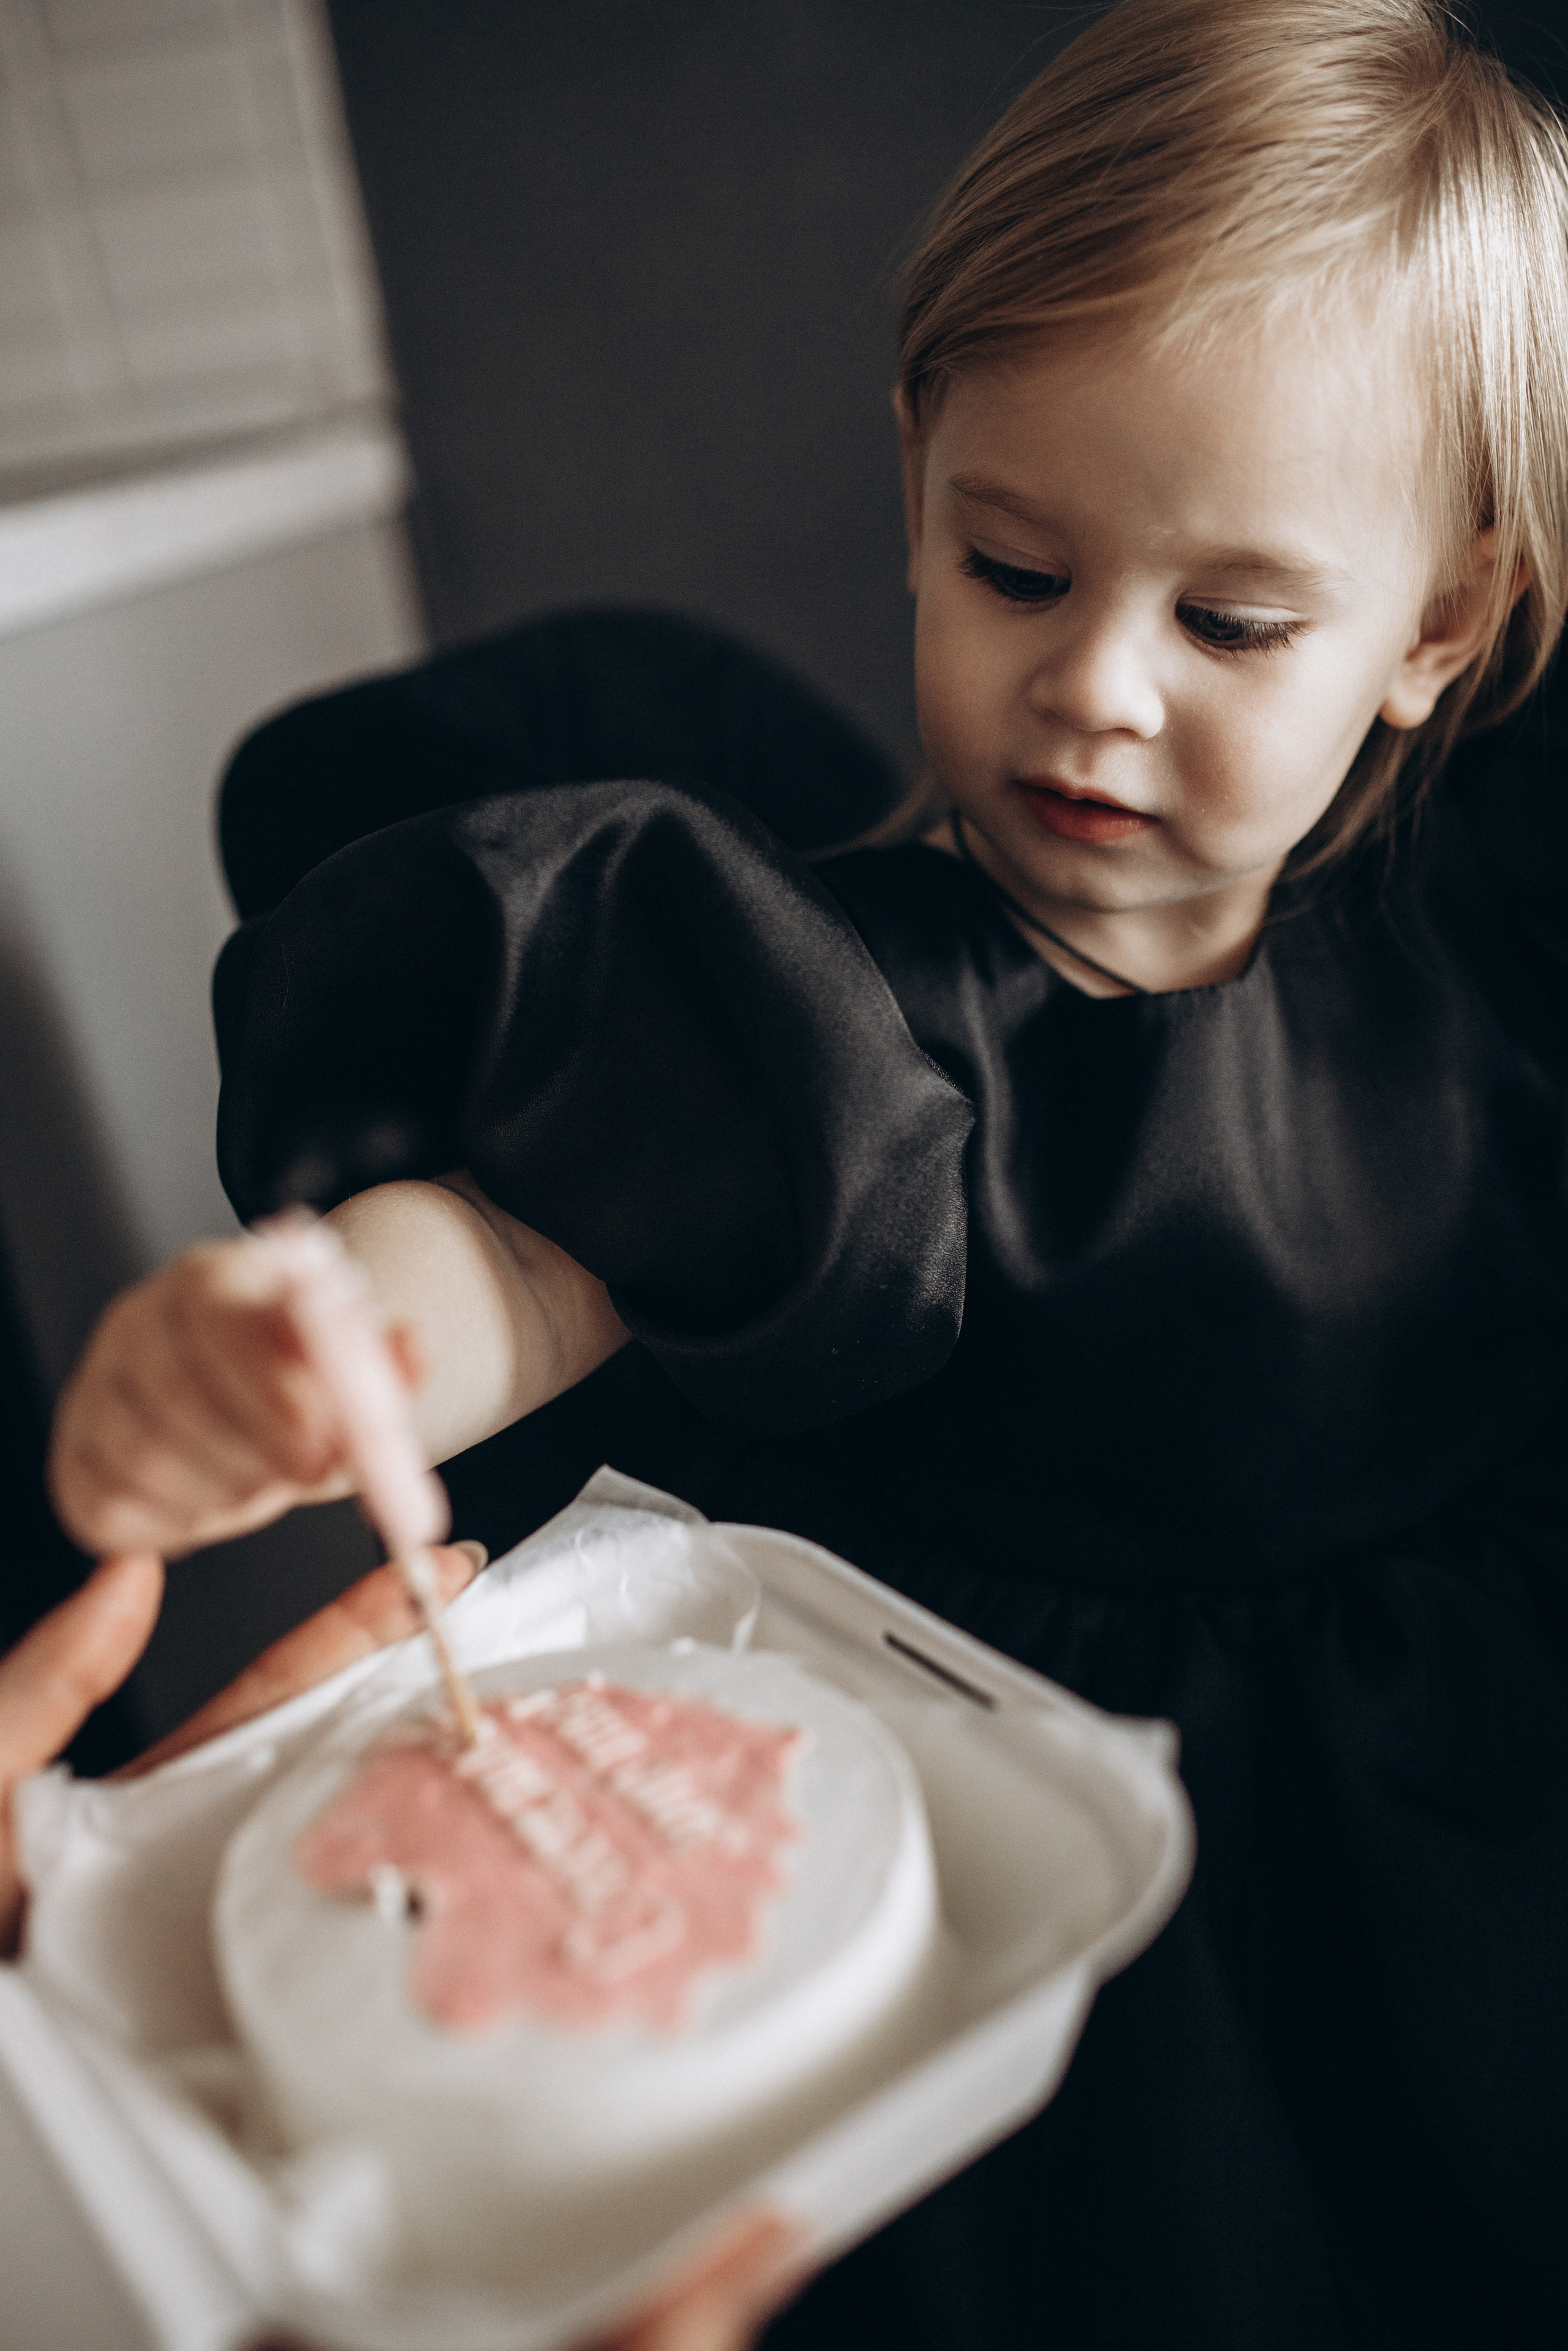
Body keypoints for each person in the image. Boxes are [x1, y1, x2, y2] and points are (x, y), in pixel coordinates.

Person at [40, 0, 1568, 2342]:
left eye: (1231, 620)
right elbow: (548, 1266)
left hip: (1450, 1747)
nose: (1101, 688)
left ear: (1437, 630)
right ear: (917, 479)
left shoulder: (1482, 921)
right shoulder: (847, 1011)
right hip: (1035, 1792)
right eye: (1017, 568)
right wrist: (342, 1327)